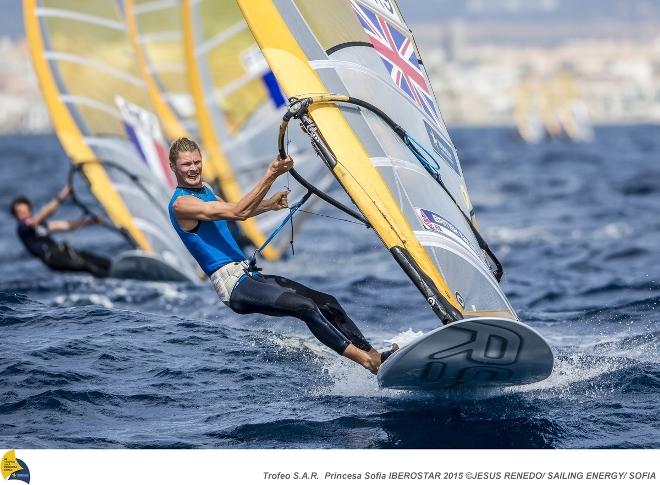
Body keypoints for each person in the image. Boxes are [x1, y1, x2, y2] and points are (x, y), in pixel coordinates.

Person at [168, 137, 397, 374]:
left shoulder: (205, 190)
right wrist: (271, 173)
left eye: (197, 162)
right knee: (305, 307)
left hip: (249, 276)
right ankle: (366, 362)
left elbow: (231, 210)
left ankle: (376, 357)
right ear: (173, 167)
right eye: (186, 164)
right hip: (234, 286)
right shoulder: (182, 205)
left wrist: (269, 204)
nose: (193, 168)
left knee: (328, 302)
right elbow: (239, 212)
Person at [10, 185, 111, 278]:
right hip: (54, 259)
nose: (26, 214)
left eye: (27, 210)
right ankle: (110, 280)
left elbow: (65, 226)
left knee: (102, 262)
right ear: (16, 216)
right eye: (21, 213)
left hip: (63, 252)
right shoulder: (22, 227)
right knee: (89, 267)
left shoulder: (41, 226)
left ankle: (113, 270)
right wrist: (62, 196)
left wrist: (91, 221)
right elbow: (42, 214)